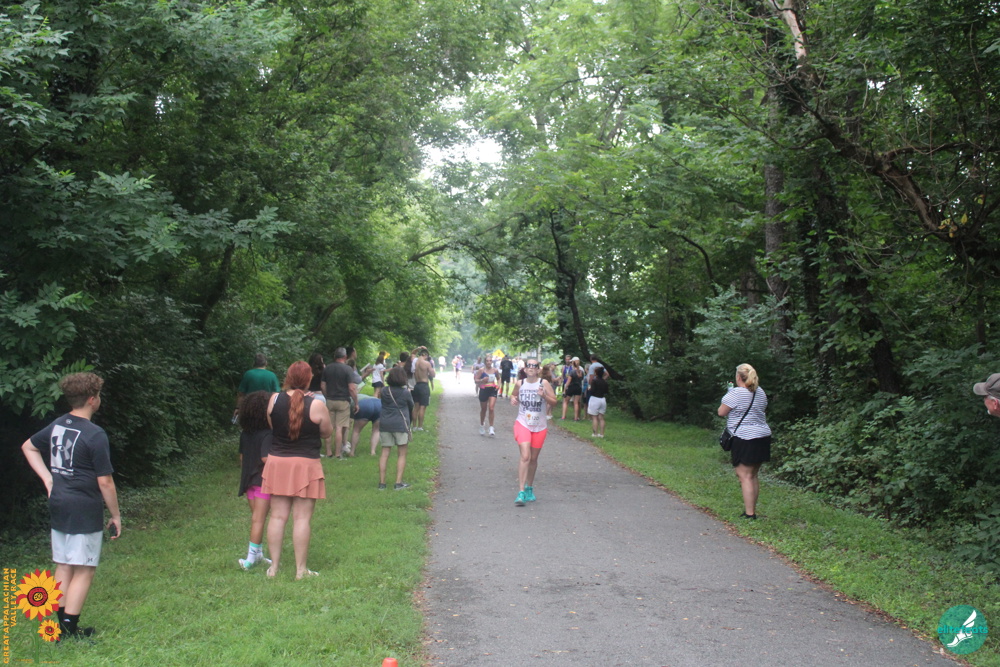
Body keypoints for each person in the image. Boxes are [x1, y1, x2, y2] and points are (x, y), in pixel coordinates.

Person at [21, 372, 121, 639]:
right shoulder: (95, 434)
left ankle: (61, 627)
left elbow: (28, 447)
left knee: (64, 565)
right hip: (83, 508)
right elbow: (105, 481)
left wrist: (48, 479)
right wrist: (115, 515)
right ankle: (68, 631)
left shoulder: (59, 424)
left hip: (59, 504)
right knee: (85, 569)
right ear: (92, 399)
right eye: (98, 395)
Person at [263, 361, 333, 579]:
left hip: (277, 463)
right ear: (308, 379)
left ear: (288, 377)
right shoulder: (316, 404)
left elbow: (273, 427)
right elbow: (327, 433)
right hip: (306, 465)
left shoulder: (274, 399)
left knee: (277, 517)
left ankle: (273, 568)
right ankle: (301, 570)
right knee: (302, 519)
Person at [718, 363, 772, 520]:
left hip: (745, 437)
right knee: (753, 475)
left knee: (744, 476)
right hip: (763, 436)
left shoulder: (736, 393)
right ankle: (751, 510)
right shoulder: (760, 392)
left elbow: (721, 412)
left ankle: (750, 514)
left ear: (738, 377)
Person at [510, 359, 559, 506]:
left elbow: (554, 402)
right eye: (529, 365)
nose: (531, 368)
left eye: (534, 366)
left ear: (538, 370)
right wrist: (513, 399)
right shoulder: (520, 383)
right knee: (525, 456)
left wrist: (544, 396)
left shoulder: (544, 383)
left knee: (533, 459)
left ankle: (529, 488)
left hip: (539, 426)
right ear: (525, 369)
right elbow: (513, 394)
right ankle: (521, 492)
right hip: (523, 423)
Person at [237, 391, 273, 570]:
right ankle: (250, 559)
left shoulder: (245, 434)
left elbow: (242, 458)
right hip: (262, 482)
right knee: (259, 519)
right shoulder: (268, 434)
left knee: (257, 518)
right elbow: (266, 458)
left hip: (248, 482)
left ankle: (258, 554)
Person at [379, 366, 414, 490]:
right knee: (402, 454)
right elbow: (411, 406)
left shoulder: (384, 391)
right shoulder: (405, 392)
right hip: (400, 424)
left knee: (385, 453)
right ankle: (398, 483)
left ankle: (382, 484)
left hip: (385, 423)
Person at [320, 347, 357, 458]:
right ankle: (337, 454)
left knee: (329, 427)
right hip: (343, 401)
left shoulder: (327, 368)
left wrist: (327, 396)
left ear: (334, 356)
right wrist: (356, 402)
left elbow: (322, 385)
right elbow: (351, 388)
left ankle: (328, 452)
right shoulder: (348, 369)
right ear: (345, 357)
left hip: (330, 400)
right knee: (339, 428)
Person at [235, 353, 281, 421]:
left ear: (254, 363)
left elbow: (241, 394)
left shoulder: (248, 374)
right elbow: (276, 395)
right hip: (265, 408)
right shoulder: (272, 375)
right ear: (266, 363)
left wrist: (238, 408)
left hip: (250, 408)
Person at [412, 349, 435, 431]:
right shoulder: (426, 363)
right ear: (425, 354)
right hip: (424, 386)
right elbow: (433, 374)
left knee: (416, 407)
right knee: (422, 407)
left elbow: (413, 353)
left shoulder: (415, 363)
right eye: (427, 356)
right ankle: (420, 427)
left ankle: (414, 426)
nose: (427, 358)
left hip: (416, 385)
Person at [476, 357, 501, 436]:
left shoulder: (495, 370)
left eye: (490, 361)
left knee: (491, 408)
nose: (489, 362)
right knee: (483, 409)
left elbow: (499, 378)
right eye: (487, 361)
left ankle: (491, 427)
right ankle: (482, 425)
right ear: (485, 362)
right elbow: (476, 380)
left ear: (492, 362)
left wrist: (498, 385)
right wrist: (482, 380)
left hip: (492, 389)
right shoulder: (481, 370)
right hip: (484, 389)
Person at [587, 367, 609, 438]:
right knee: (601, 417)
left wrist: (589, 389)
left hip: (595, 399)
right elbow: (606, 391)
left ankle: (595, 433)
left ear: (596, 373)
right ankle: (602, 434)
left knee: (594, 417)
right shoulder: (604, 381)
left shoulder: (594, 381)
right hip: (602, 399)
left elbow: (592, 391)